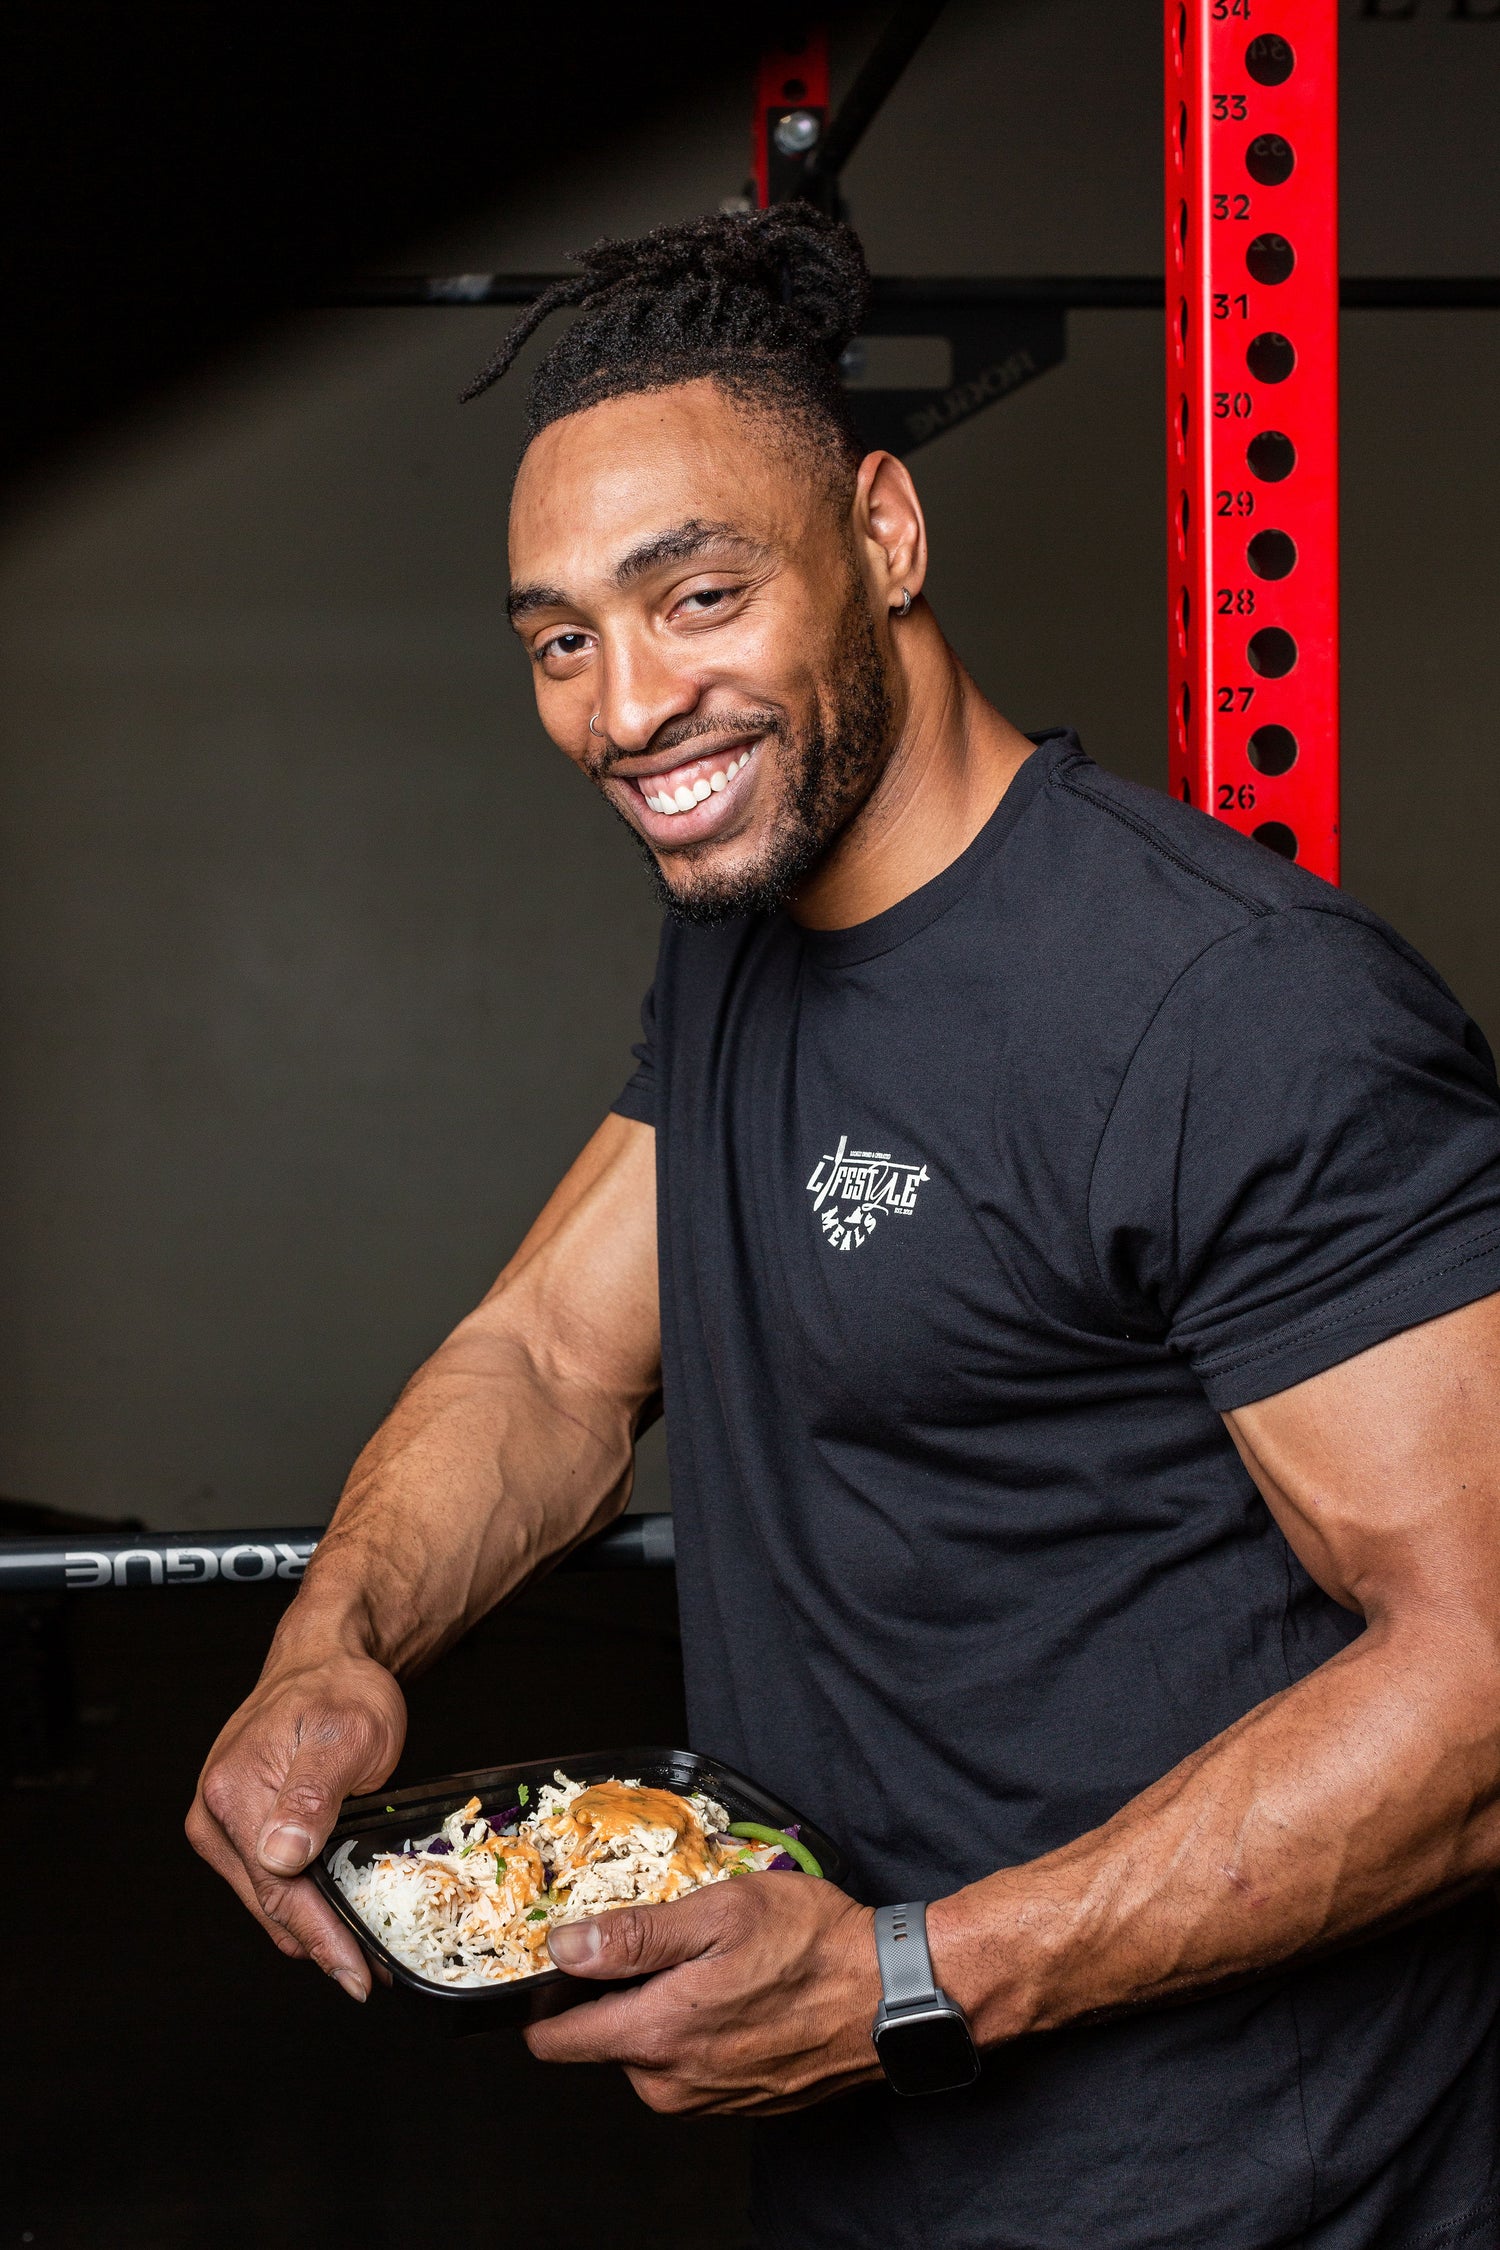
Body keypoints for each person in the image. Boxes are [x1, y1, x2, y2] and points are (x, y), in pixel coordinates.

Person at [188, 207, 1500, 2248]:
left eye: (698, 595)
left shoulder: (1234, 1008)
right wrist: (332, 1643)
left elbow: (1484, 1681)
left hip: (1229, 2189)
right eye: (560, 641)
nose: (629, 706)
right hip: (867, 2170)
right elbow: (552, 1356)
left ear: (883, 533)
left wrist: (910, 1980)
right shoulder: (740, 934)